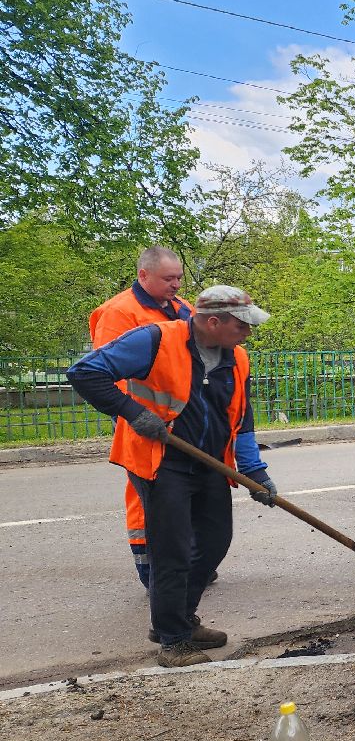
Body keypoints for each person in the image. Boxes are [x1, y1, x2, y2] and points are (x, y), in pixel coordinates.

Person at [67, 286, 278, 668]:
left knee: (214, 541)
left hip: (211, 462)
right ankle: (173, 641)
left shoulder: (238, 358)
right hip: (161, 461)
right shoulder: (154, 340)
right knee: (173, 550)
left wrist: (255, 470)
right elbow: (84, 373)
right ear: (213, 322)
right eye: (242, 325)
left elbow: (241, 418)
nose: (248, 333)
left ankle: (180, 620)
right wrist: (132, 412)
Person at [89, 246, 193, 590]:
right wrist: (135, 416)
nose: (176, 284)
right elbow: (107, 373)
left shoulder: (181, 309)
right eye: (169, 278)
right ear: (143, 275)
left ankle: (186, 563)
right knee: (146, 496)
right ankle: (151, 570)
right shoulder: (120, 313)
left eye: (179, 277)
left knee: (182, 495)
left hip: (179, 420)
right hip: (143, 422)